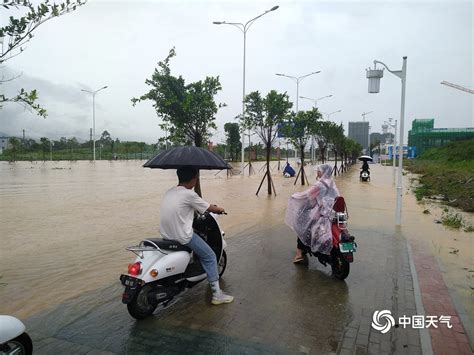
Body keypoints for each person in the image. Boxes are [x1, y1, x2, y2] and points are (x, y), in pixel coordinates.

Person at [159, 166, 234, 305]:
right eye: (196, 177)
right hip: (182, 237)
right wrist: (220, 209)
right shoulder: (189, 194)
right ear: (194, 179)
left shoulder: (169, 192)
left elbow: (183, 209)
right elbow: (209, 208)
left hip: (166, 235)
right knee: (210, 256)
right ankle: (217, 295)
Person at [284, 164, 340, 263]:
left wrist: (295, 196)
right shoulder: (332, 183)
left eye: (318, 170)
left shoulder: (319, 184)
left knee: (303, 227)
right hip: (333, 212)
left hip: (321, 213)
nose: (317, 172)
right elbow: (335, 197)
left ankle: (299, 254)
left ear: (322, 172)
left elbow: (307, 195)